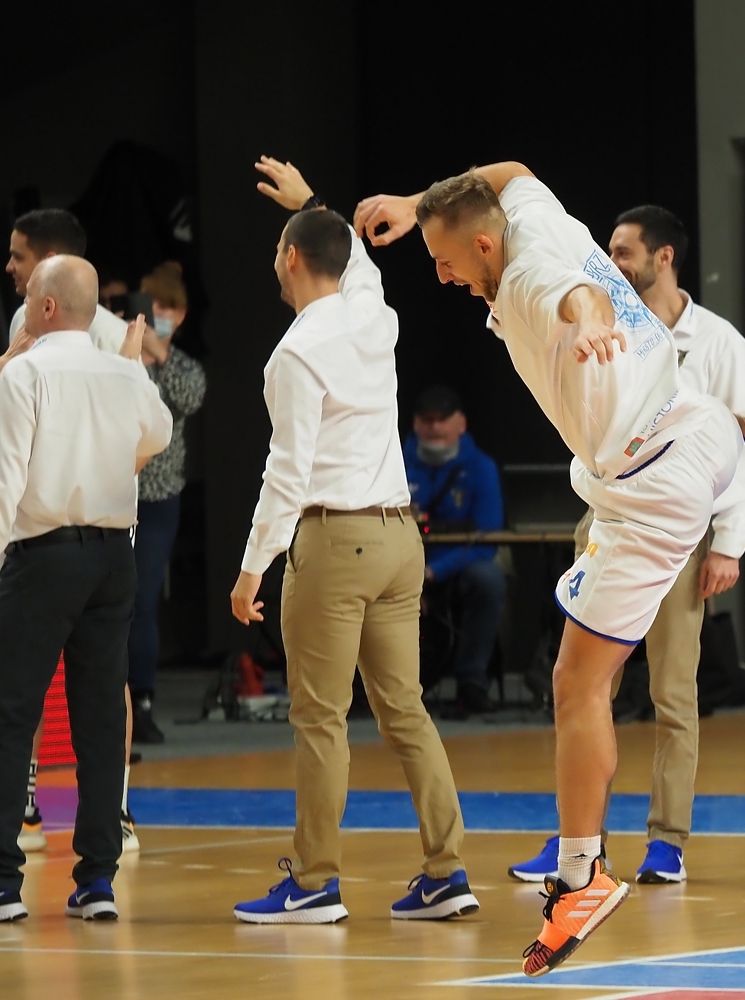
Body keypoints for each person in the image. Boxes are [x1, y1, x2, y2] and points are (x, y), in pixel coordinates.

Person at [354, 160, 745, 975]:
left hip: (649, 490)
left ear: (485, 247)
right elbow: (510, 170)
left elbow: (574, 294)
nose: (440, 276)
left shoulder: (528, 279)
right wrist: (416, 203)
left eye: (445, 261)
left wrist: (588, 319)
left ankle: (580, 877)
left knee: (577, 685)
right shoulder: (530, 210)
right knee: (737, 431)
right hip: (686, 421)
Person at [229, 158, 478, 925]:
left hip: (335, 542)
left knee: (320, 718)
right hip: (400, 537)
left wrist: (252, 568)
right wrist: (312, 201)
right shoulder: (373, 315)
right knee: (405, 709)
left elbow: (286, 472)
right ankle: (446, 871)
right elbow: (360, 265)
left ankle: (313, 881)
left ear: (289, 259)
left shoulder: (295, 352)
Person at [508, 205, 745, 887]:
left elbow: (741, 438)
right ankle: (577, 840)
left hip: (678, 529)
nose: (613, 262)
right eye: (609, 251)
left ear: (663, 257)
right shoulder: (608, 317)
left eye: (624, 252)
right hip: (606, 515)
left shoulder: (719, 342)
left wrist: (730, 542)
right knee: (583, 686)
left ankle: (667, 840)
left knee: (673, 690)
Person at [0, 255, 172, 923]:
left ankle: (3, 883)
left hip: (43, 556)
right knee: (100, 717)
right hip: (112, 557)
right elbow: (158, 434)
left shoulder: (25, 373)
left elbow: (6, 479)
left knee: (12, 713)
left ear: (45, 307)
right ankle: (97, 881)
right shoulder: (123, 372)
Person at [6, 210, 141, 855]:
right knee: (75, 698)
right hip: (94, 544)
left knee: (31, 701)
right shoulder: (105, 354)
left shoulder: (58, 352)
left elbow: (8, 472)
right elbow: (156, 433)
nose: (12, 270)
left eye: (19, 259)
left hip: (62, 538)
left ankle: (13, 871)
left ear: (49, 292)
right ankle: (75, 852)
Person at [128, 261, 207, 745]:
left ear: (179, 314)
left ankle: (142, 700)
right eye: (149, 303)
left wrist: (159, 355)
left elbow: (190, 399)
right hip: (110, 495)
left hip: (158, 498)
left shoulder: (184, 367)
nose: (156, 312)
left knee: (142, 598)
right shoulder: (117, 356)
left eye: (165, 306)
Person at [405, 383, 508, 714]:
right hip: (404, 564)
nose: (434, 427)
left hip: (456, 566)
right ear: (416, 423)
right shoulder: (395, 464)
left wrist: (432, 572)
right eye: (427, 420)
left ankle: (471, 682)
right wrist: (410, 573)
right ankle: (382, 686)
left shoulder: (480, 467)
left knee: (489, 580)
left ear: (460, 423)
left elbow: (486, 538)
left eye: (442, 419)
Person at [7, 209, 127, 354]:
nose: (9, 267)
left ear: (50, 261)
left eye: (18, 257)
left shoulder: (112, 335)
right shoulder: (22, 316)